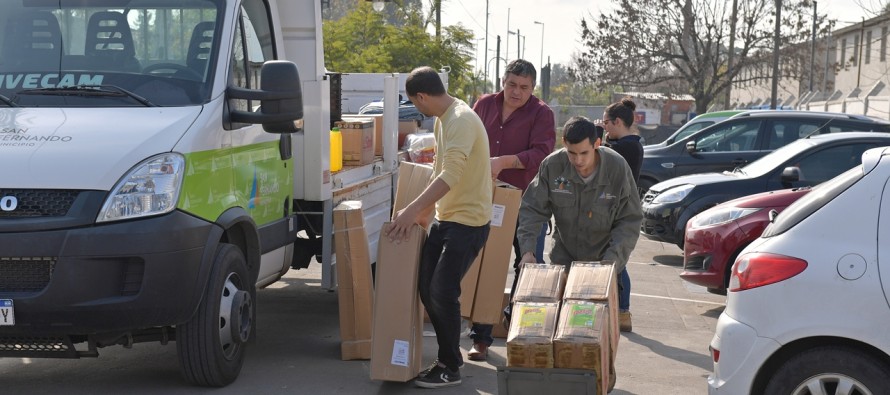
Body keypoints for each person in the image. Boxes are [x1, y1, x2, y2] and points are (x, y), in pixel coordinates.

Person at [385, 66, 492, 389]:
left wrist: (411, 210)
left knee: (442, 291)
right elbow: (438, 171)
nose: (418, 110)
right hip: (447, 218)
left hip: (469, 222)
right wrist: (425, 212)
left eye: (416, 104)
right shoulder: (446, 120)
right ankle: (448, 355)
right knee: (426, 287)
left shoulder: (460, 120)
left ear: (422, 96)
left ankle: (450, 365)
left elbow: (451, 175)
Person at [467, 59, 556, 361]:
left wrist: (503, 161)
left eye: (524, 87)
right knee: (485, 264)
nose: (516, 92)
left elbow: (542, 153)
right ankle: (480, 337)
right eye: (512, 84)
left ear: (533, 89)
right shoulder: (484, 105)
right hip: (484, 198)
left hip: (526, 202)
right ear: (503, 80)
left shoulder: (542, 113)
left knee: (528, 267)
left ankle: (520, 330)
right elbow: (469, 140)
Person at [516, 115, 642, 327]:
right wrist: (528, 251)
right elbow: (532, 209)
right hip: (565, 257)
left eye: (584, 153)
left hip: (604, 260)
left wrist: (610, 265)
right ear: (564, 144)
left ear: (597, 144)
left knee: (594, 330)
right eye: (572, 153)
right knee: (565, 327)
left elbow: (629, 221)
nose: (578, 161)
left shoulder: (617, 168)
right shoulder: (552, 166)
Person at [600, 98, 644, 332]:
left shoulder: (628, 146)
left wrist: (597, 138)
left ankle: (623, 310)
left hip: (621, 211)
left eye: (606, 123)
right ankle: (620, 309)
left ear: (617, 122)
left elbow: (605, 155)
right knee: (614, 260)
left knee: (618, 262)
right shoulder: (628, 143)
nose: (604, 127)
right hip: (615, 209)